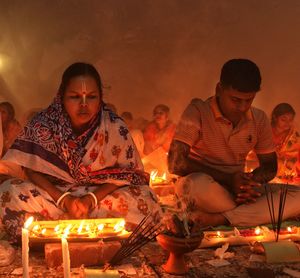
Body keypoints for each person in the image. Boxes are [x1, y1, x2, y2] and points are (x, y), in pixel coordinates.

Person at [0, 62, 161, 243]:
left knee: (147, 199)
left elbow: (127, 175)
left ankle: (50, 230)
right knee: (8, 191)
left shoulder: (115, 126)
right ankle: (101, 230)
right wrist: (65, 200)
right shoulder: (42, 124)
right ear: (62, 97)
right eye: (75, 97)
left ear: (100, 97)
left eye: (91, 97)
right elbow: (31, 170)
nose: (84, 105)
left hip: (100, 198)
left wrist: (90, 199)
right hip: (53, 197)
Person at [168, 58, 300, 228]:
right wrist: (230, 179)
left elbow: (269, 167)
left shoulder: (259, 119)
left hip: (235, 192)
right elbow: (175, 162)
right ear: (219, 89)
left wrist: (248, 184)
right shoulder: (198, 111)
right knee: (194, 185)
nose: (242, 107)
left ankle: (220, 218)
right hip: (205, 187)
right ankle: (249, 213)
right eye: (235, 100)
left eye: (249, 100)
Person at [270, 103, 300, 180]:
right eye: (283, 119)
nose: (288, 123)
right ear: (275, 117)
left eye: (290, 120)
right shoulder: (264, 131)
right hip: (264, 171)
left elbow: (292, 159)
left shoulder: (294, 137)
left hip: (285, 175)